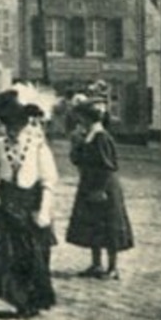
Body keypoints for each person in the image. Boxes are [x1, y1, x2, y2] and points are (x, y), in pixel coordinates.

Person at [0, 88, 59, 318]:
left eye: (17, 125)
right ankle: (17, 298)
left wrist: (44, 210)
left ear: (25, 122)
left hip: (31, 202)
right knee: (6, 253)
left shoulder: (37, 144)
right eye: (9, 125)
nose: (13, 130)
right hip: (6, 203)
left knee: (32, 255)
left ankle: (31, 300)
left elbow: (48, 180)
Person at [65, 99, 134, 280]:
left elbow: (108, 166)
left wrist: (100, 190)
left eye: (81, 117)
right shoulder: (88, 136)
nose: (79, 121)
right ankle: (96, 264)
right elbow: (77, 160)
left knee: (109, 226)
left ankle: (112, 268)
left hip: (104, 187)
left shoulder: (102, 137)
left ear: (88, 118)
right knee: (93, 225)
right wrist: (76, 144)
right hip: (90, 184)